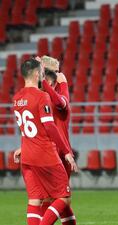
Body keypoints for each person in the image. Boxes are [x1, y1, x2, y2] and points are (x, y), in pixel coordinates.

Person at [13, 58, 78, 225]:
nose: (58, 75)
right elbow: (42, 126)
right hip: (48, 152)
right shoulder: (40, 96)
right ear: (41, 74)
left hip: (56, 152)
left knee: (52, 199)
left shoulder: (57, 94)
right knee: (59, 198)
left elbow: (60, 103)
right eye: (52, 72)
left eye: (57, 72)